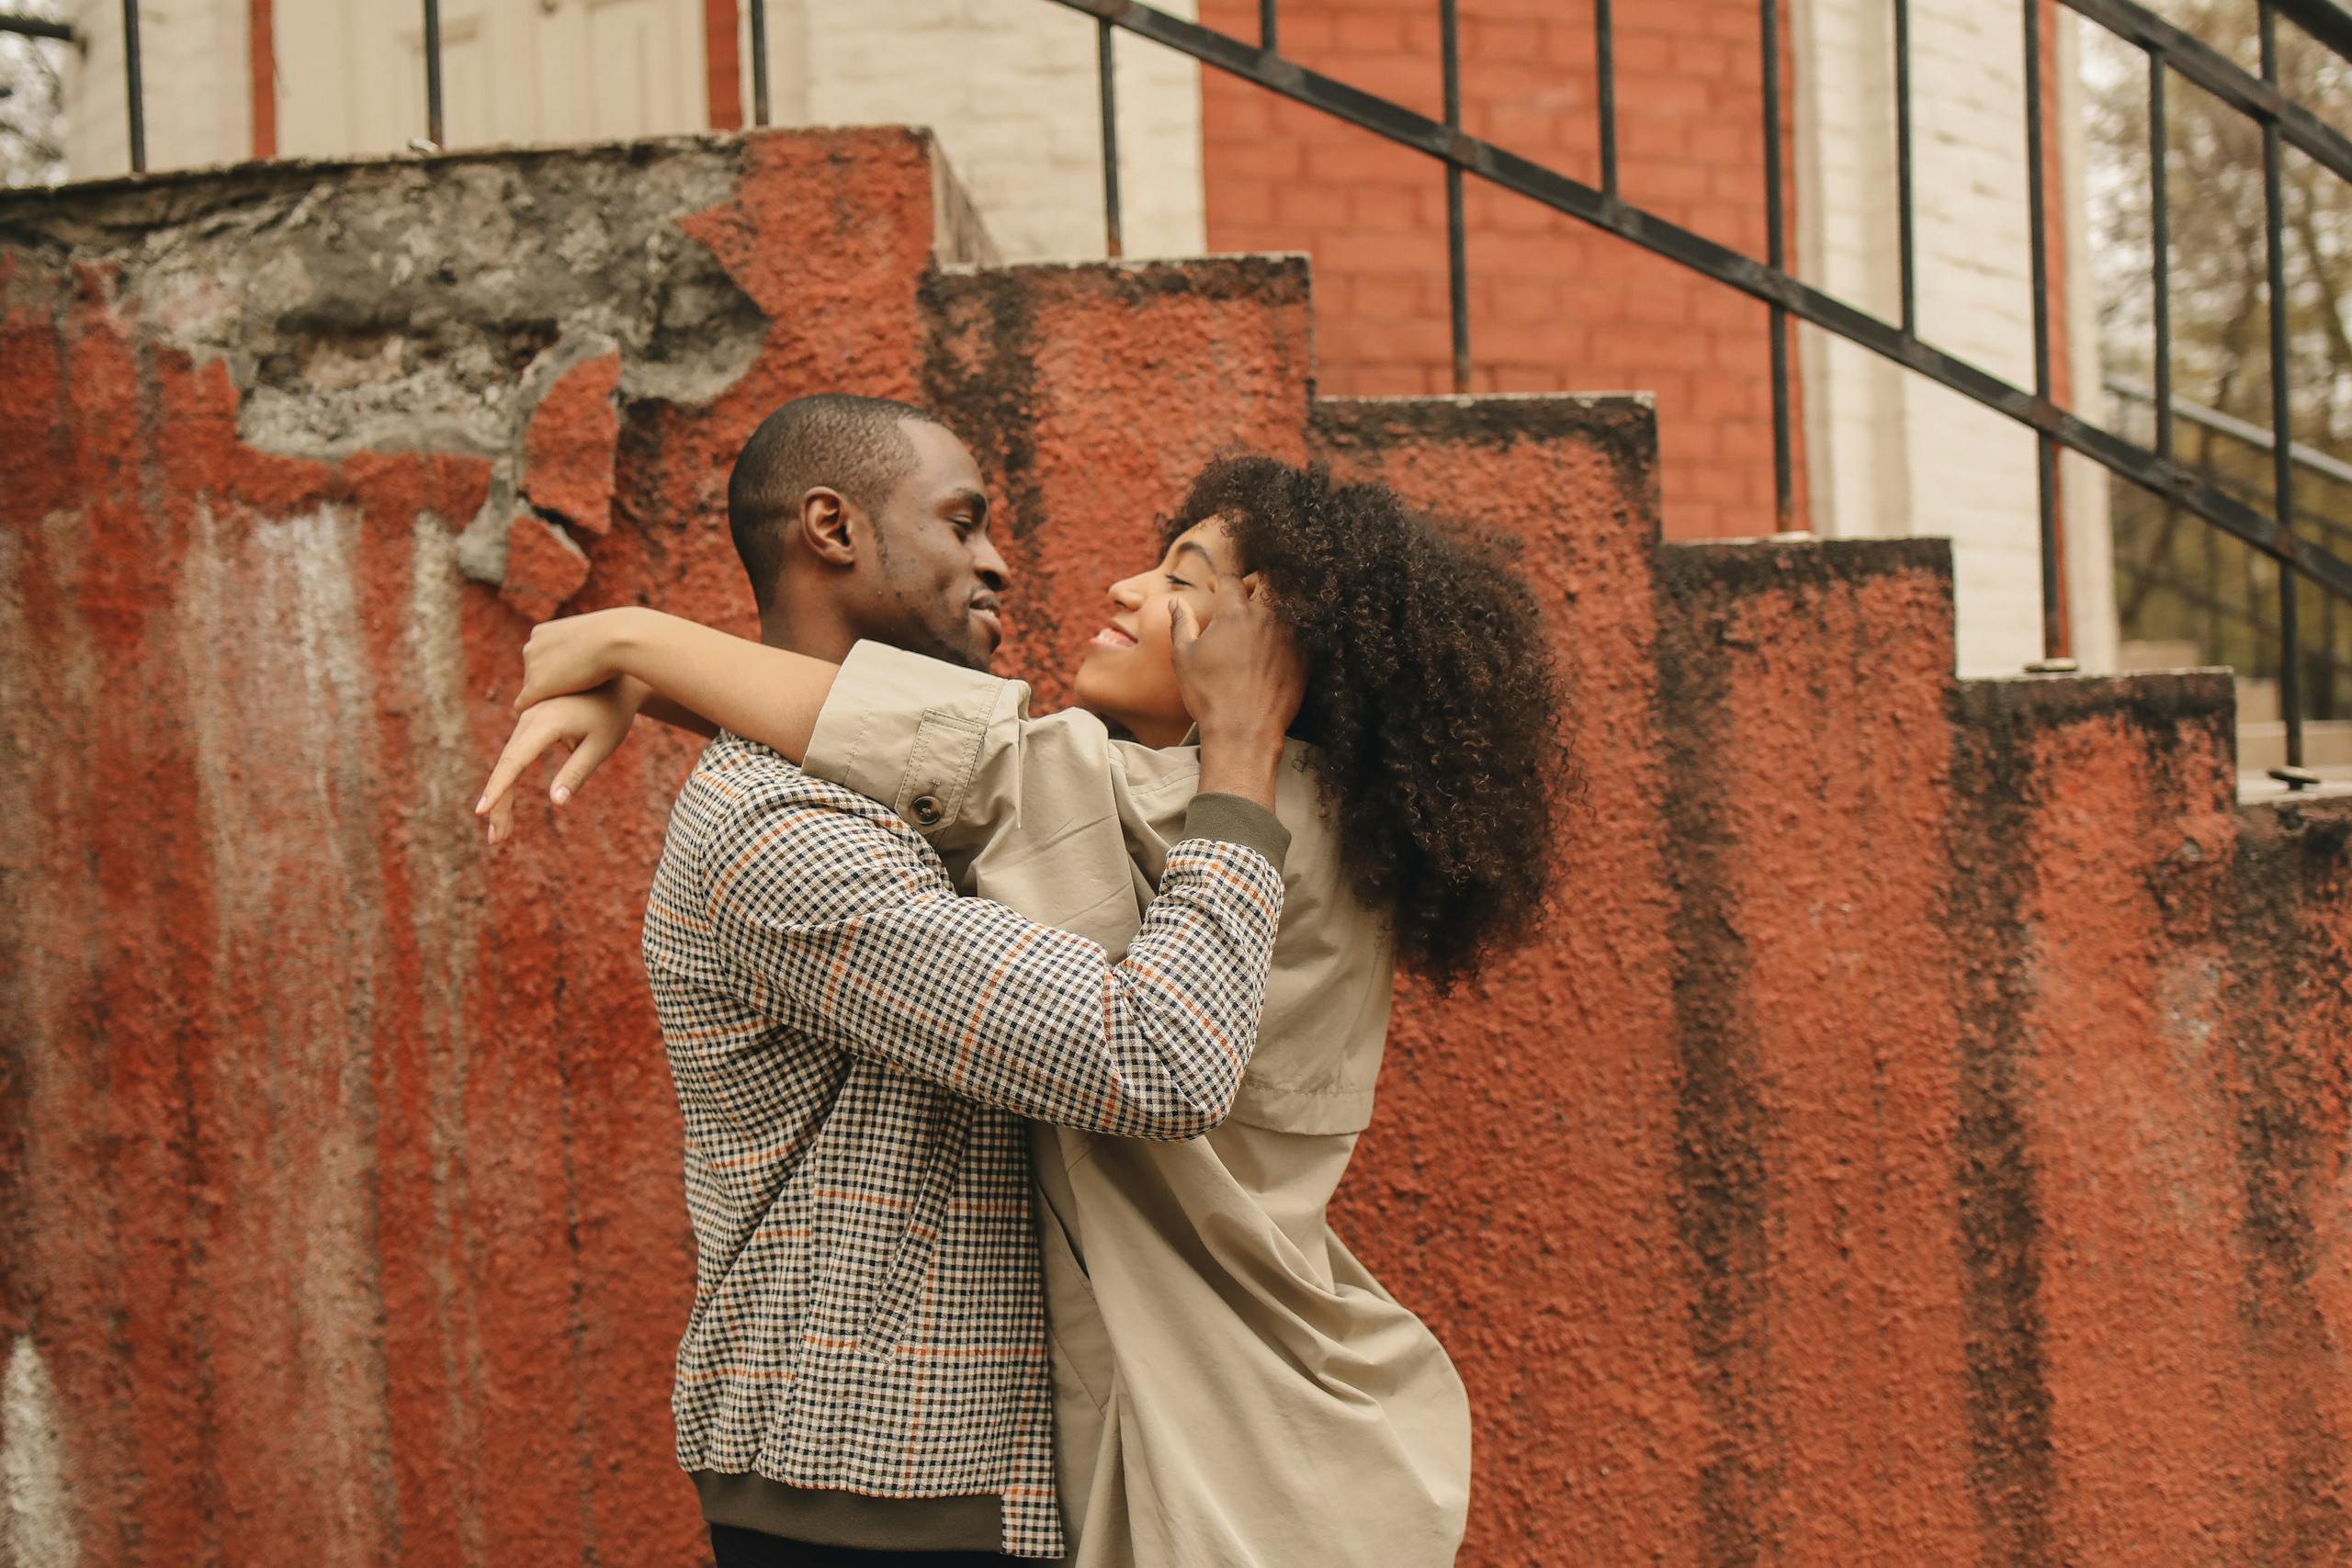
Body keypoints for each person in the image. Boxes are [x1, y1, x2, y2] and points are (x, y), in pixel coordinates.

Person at [482, 450, 1570, 1565]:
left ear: (1268, 661)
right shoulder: (1252, 820)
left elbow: (971, 765)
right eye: (963, 522)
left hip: (1201, 1431)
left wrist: (633, 644)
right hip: (1190, 1436)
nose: (1123, 591)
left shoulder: (1222, 811)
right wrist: (657, 679)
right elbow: (950, 756)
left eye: (1181, 581)